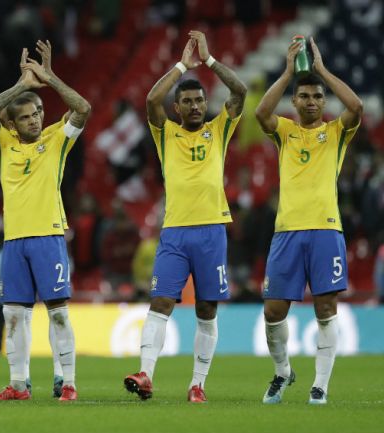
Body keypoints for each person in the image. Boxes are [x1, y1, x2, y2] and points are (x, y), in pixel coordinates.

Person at [123, 30, 246, 403]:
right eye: (187, 102)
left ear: (206, 103)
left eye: (199, 100)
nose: (194, 106)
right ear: (178, 108)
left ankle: (198, 384)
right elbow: (150, 99)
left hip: (211, 231)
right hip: (174, 233)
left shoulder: (219, 129)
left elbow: (239, 92)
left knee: (206, 308)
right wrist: (181, 65)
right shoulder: (166, 134)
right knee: (160, 301)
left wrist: (208, 61)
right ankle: (146, 374)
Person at [254, 37, 362, 405]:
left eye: (318, 97)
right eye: (305, 97)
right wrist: (288, 72)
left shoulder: (336, 133)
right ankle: (283, 371)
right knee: (273, 311)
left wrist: (322, 70)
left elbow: (356, 106)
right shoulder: (285, 131)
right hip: (287, 232)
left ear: (323, 101)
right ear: (295, 102)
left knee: (325, 308)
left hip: (326, 230)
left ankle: (320, 385)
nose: (312, 101)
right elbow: (261, 115)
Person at [0, 41, 91, 402]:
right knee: (14, 316)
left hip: (48, 237)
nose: (35, 119)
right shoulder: (4, 144)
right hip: (15, 242)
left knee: (58, 314)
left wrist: (50, 78)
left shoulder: (56, 139)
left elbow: (83, 108)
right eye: (26, 116)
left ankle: (69, 384)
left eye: (37, 113)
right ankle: (18, 385)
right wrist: (22, 85)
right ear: (12, 124)